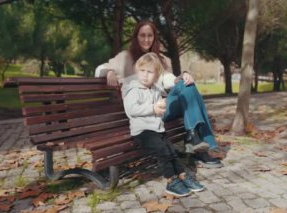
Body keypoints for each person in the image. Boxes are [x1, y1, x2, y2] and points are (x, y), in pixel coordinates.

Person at [96, 20, 224, 168]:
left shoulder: (159, 60)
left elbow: (167, 80)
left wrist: (181, 77)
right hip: (142, 112)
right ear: (136, 36)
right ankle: (197, 144)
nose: (146, 39)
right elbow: (100, 68)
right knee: (189, 94)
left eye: (150, 35)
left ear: (154, 37)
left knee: (187, 85)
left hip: (161, 108)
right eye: (142, 35)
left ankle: (194, 139)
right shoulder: (125, 57)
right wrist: (109, 71)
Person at [122, 52, 204, 197]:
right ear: (136, 71)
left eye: (150, 72)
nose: (145, 75)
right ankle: (171, 181)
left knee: (171, 151)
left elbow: (167, 96)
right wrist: (153, 108)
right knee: (163, 151)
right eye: (142, 71)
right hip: (142, 132)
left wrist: (163, 105)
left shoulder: (154, 89)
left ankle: (182, 175)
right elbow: (131, 110)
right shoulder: (133, 89)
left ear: (156, 75)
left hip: (157, 130)